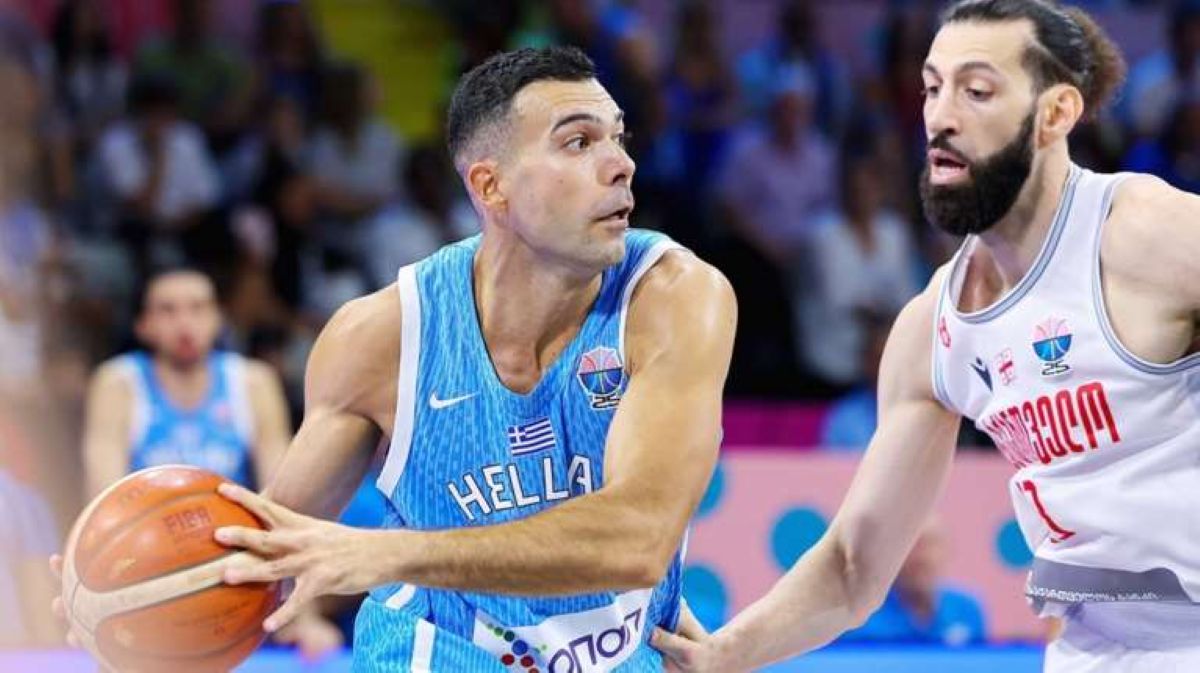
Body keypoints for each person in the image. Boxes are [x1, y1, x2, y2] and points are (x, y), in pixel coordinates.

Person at [50, 46, 733, 671]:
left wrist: (381, 552)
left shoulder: (674, 298)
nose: (620, 164)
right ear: (491, 187)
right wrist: (128, 601)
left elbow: (638, 540)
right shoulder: (383, 336)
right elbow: (271, 550)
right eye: (579, 142)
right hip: (428, 655)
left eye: (618, 137)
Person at [650, 1, 1200, 671]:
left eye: (977, 91)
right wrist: (722, 653)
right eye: (933, 88)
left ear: (1055, 113)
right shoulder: (932, 328)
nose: (941, 117)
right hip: (1093, 647)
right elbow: (854, 568)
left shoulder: (1149, 235)